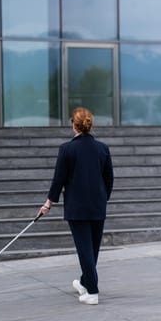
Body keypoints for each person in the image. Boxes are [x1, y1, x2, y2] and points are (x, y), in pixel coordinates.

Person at [38, 107, 114, 305]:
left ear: (74, 125)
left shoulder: (67, 149)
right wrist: (102, 198)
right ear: (90, 124)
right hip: (97, 206)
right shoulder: (102, 148)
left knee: (85, 251)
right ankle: (84, 282)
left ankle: (93, 292)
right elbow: (109, 179)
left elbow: (58, 180)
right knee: (93, 250)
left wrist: (48, 204)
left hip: (77, 208)